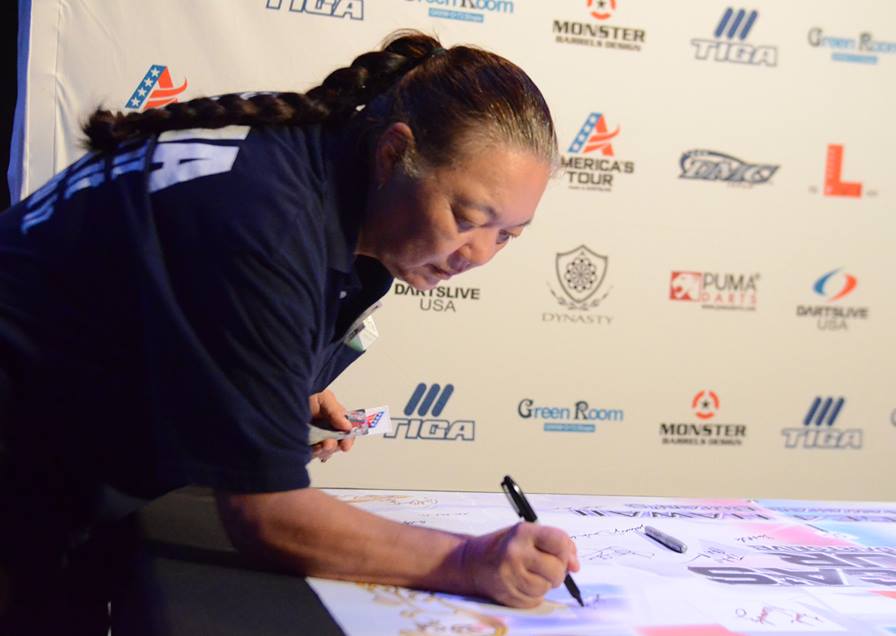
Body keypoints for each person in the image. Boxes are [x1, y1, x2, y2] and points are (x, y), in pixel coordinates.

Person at [0, 30, 579, 633]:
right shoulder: (271, 220)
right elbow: (266, 515)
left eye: (507, 235)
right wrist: (466, 560)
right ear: (393, 154)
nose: (479, 254)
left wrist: (273, 390)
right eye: (466, 218)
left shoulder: (314, 176)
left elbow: (172, 319)